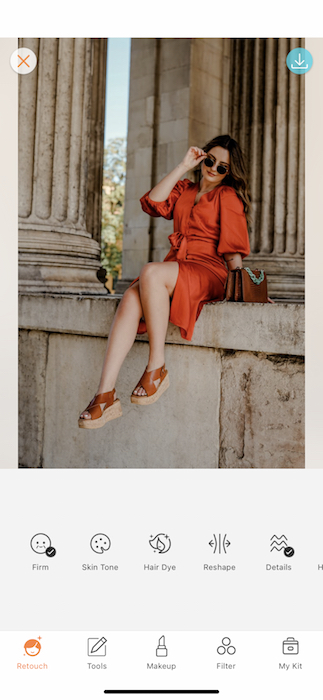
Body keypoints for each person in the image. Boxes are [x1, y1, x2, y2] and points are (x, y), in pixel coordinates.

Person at [78, 134, 251, 429]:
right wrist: (184, 165)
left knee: (150, 272)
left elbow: (233, 252)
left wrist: (248, 291)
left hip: (208, 271)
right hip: (177, 267)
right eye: (210, 160)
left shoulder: (228, 197)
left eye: (222, 167)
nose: (213, 168)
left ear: (230, 173)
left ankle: (156, 367)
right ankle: (104, 394)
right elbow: (152, 202)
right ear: (202, 157)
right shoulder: (185, 188)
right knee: (131, 297)